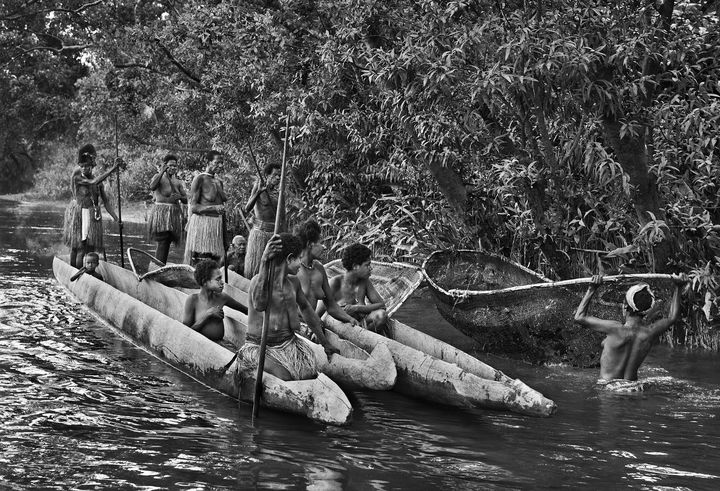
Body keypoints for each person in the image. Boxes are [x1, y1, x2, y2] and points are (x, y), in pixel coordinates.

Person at [239, 234, 339, 381]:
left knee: (309, 374)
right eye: (299, 258)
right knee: (285, 377)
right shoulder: (258, 281)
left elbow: (306, 310)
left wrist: (325, 343)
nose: (300, 263)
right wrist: (264, 261)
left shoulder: (293, 282)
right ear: (289, 259)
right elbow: (259, 305)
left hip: (288, 343)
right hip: (261, 347)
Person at [574, 273, 689, 383]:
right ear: (647, 310)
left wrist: (592, 288)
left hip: (610, 388)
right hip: (633, 387)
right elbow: (672, 317)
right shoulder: (650, 332)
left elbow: (579, 317)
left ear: (625, 306)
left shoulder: (614, 329)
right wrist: (678, 287)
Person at [62, 144, 123, 268]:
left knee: (89, 249)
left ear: (92, 166)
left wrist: (117, 219)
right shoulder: (78, 178)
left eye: (87, 166)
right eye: (82, 166)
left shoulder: (98, 183)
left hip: (93, 215)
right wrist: (113, 168)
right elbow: (93, 182)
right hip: (80, 214)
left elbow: (106, 202)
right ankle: (74, 272)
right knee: (78, 247)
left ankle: (87, 272)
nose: (84, 169)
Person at [294, 219, 358, 327]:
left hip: (312, 327)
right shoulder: (293, 269)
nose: (324, 247)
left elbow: (331, 305)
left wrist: (350, 319)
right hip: (293, 327)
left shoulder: (319, 268)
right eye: (321, 242)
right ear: (310, 244)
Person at [327, 243, 389, 336]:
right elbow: (320, 311)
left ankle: (365, 339)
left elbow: (381, 305)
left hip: (360, 326)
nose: (370, 268)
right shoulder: (335, 283)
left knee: (381, 315)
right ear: (355, 266)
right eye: (367, 265)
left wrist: (357, 308)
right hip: (340, 327)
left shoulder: (365, 282)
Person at [182, 259, 248, 341]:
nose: (222, 282)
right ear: (205, 282)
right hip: (198, 345)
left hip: (220, 344)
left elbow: (246, 310)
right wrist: (208, 314)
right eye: (218, 279)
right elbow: (185, 332)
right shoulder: (192, 300)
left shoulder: (222, 297)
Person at [184, 150, 227, 265]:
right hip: (202, 225)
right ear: (208, 162)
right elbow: (193, 207)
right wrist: (213, 209)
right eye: (217, 162)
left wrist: (225, 237)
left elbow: (222, 207)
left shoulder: (219, 182)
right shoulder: (200, 179)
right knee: (201, 259)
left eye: (221, 163)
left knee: (214, 261)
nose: (220, 166)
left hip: (216, 226)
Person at [243, 162, 283, 278]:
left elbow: (282, 218)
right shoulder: (258, 187)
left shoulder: (278, 193)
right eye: (275, 175)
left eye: (279, 175)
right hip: (259, 233)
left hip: (273, 233)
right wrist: (259, 192)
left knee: (272, 270)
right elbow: (247, 208)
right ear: (267, 175)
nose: (278, 178)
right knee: (255, 269)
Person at [147, 153, 187, 264]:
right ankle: (158, 265)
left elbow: (186, 200)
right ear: (165, 165)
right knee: (162, 240)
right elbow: (152, 187)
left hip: (173, 214)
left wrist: (180, 197)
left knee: (168, 240)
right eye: (170, 165)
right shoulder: (158, 177)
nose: (173, 168)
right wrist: (161, 172)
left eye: (175, 166)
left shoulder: (178, 182)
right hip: (161, 213)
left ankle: (160, 264)